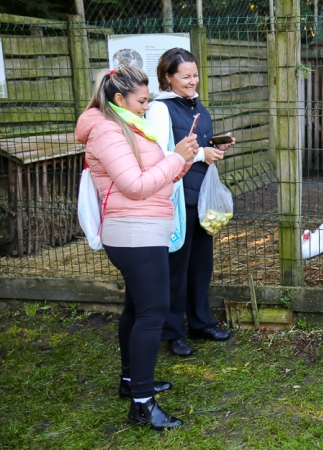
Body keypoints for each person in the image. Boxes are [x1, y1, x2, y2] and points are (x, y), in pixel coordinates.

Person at [76, 66, 198, 429]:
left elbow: (153, 177)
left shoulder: (128, 126)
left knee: (137, 307)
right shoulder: (107, 131)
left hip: (145, 230)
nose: (147, 107)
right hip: (133, 233)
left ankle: (131, 383)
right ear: (119, 99)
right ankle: (143, 404)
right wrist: (174, 158)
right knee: (152, 313)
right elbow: (134, 185)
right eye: (142, 100)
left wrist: (182, 160)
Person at [146, 48, 235, 357]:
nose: (192, 80)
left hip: (201, 195)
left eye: (195, 75)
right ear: (168, 77)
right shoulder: (160, 109)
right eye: (185, 76)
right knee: (176, 267)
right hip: (177, 196)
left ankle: (200, 322)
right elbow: (159, 152)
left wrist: (215, 145)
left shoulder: (196, 104)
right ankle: (173, 331)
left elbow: (194, 140)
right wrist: (201, 154)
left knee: (201, 264)